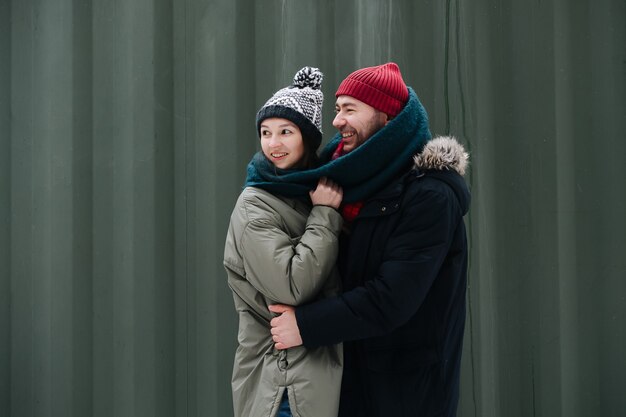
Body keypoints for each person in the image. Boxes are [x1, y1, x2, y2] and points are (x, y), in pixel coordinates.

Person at [268, 62, 471, 417]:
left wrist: (305, 325)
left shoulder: (429, 196)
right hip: (354, 380)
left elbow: (392, 297)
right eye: (336, 109)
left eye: (350, 109)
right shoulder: (348, 182)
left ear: (387, 117)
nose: (337, 121)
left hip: (405, 393)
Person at [223, 67, 344, 417]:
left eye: (285, 132)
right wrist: (324, 216)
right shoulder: (255, 205)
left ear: (307, 138)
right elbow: (292, 286)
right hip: (282, 386)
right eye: (266, 132)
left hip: (312, 378)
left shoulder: (303, 193)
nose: (273, 144)